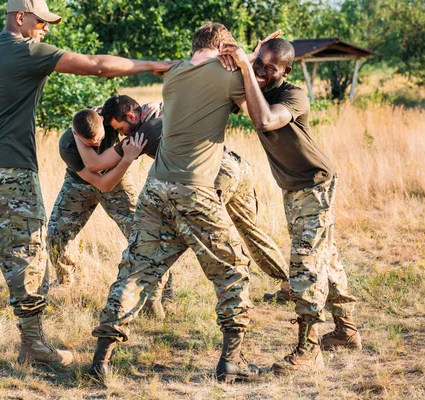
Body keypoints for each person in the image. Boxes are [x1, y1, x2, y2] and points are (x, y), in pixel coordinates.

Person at [0, 0, 174, 366]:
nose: (46, 27)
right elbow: (98, 66)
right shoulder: (28, 51)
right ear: (20, 17)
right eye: (41, 20)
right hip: (13, 169)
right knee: (29, 252)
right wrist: (156, 66)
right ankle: (34, 345)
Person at [88, 22, 266, 384]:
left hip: (156, 189)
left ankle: (101, 359)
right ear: (224, 47)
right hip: (195, 189)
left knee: (136, 270)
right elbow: (257, 114)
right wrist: (247, 64)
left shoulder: (174, 75)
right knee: (232, 269)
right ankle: (231, 360)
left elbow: (197, 71)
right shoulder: (229, 75)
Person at [219, 38, 362, 375]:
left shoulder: (293, 95)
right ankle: (346, 332)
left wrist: (246, 68)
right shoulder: (256, 85)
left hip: (315, 184)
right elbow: (236, 92)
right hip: (294, 189)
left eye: (271, 67)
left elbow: (266, 121)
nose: (263, 72)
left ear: (286, 70)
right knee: (325, 258)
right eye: (260, 65)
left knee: (305, 265)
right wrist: (244, 61)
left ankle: (309, 350)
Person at [74, 94, 289, 309]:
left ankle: (161, 303)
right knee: (250, 230)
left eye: (120, 129)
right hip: (235, 164)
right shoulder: (168, 111)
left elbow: (96, 164)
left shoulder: (140, 135)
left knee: (170, 236)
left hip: (211, 175)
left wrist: (76, 134)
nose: (121, 135)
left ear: (131, 116)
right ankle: (290, 286)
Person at [46, 109, 145, 288]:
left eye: (99, 138)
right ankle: (65, 281)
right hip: (79, 184)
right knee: (55, 234)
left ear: (102, 120)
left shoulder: (109, 118)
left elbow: (133, 113)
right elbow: (102, 184)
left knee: (141, 232)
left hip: (117, 179)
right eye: (90, 143)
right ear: (76, 134)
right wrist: (126, 160)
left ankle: (158, 289)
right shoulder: (67, 144)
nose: (96, 143)